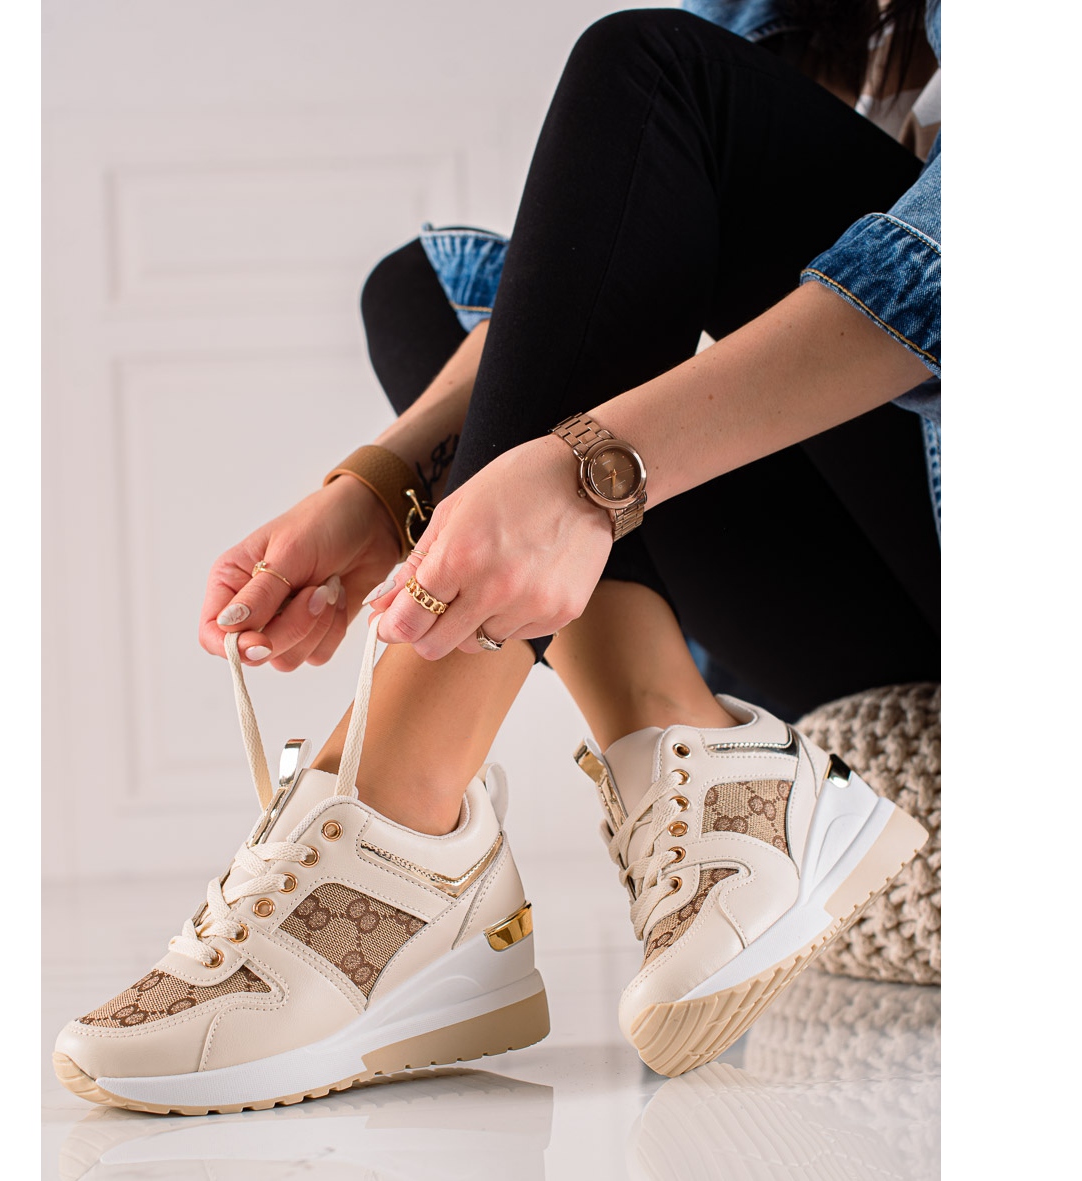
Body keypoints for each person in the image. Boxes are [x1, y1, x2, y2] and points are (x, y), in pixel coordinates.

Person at [54, 1, 939, 1113]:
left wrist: (591, 474)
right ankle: (690, 746)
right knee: (421, 294)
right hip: (868, 583)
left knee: (656, 75)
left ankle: (394, 824)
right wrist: (380, 485)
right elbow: (620, 252)